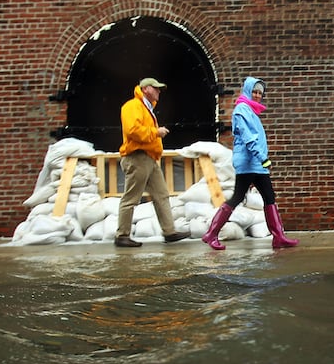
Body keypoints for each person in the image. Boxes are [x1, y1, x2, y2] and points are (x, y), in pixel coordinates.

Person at [202, 76, 299, 250]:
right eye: (254, 91)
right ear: (247, 91)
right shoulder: (242, 110)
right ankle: (211, 234)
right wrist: (263, 158)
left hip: (256, 163)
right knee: (238, 197)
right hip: (249, 162)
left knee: (269, 197)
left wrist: (261, 159)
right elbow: (248, 138)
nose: (257, 95)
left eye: (260, 93)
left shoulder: (251, 111)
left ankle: (279, 237)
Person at [114, 77, 191, 247]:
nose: (159, 92)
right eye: (156, 89)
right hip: (137, 157)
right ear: (146, 89)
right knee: (131, 198)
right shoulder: (132, 106)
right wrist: (156, 132)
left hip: (149, 157)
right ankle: (122, 235)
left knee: (161, 194)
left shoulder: (146, 108)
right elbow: (132, 130)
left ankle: (169, 231)